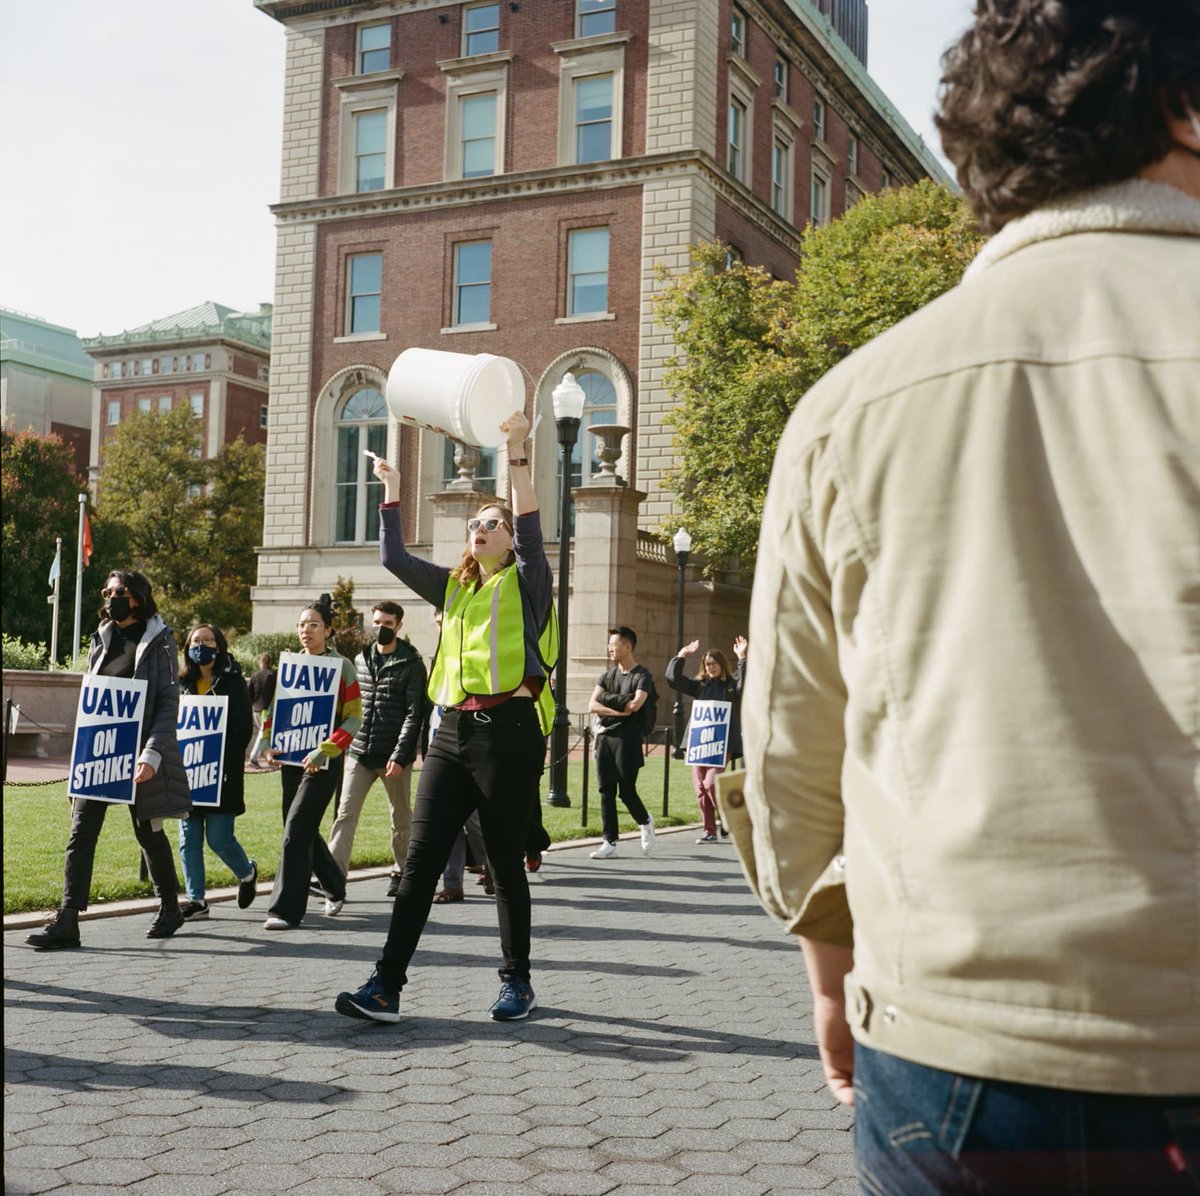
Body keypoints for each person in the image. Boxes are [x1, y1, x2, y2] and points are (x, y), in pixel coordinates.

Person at [726, 1, 1200, 1190]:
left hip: (956, 1051)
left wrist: (831, 946)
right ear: (1184, 110)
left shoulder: (849, 405)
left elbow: (790, 744)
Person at [335, 409, 553, 1023]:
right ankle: (385, 986)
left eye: (492, 525)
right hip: (451, 734)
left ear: (510, 540)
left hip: (509, 735)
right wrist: (393, 493)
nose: (479, 530)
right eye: (474, 525)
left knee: (505, 865)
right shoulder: (454, 588)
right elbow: (393, 558)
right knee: (422, 863)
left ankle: (517, 982)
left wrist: (515, 452)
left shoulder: (531, 579)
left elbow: (532, 522)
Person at [26, 570, 191, 949]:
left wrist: (152, 753)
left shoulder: (161, 640)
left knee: (147, 834)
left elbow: (168, 703)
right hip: (99, 751)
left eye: (119, 592)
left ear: (138, 597)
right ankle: (68, 919)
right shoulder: (102, 637)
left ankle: (170, 907)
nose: (110, 597)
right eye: (108, 591)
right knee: (80, 832)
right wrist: (80, 757)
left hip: (138, 753)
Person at [257, 594, 362, 930]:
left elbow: (354, 719)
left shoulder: (342, 667)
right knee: (299, 828)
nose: (306, 630)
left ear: (328, 631)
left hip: (323, 763)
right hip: (290, 761)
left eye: (314, 625)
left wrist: (325, 750)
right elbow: (275, 711)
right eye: (302, 624)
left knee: (295, 832)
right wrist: (266, 741)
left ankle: (284, 910)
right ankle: (334, 884)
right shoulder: (289, 666)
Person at [327, 601, 426, 898]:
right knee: (345, 814)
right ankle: (334, 876)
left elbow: (414, 712)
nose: (380, 628)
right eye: (377, 622)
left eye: (387, 623)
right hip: (359, 751)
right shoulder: (361, 659)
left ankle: (401, 870)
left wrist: (400, 754)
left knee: (400, 817)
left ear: (399, 626)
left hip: (393, 754)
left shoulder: (411, 663)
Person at [176, 624, 259, 920]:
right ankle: (196, 900)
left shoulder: (234, 683)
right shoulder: (181, 683)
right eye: (196, 641)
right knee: (189, 837)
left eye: (208, 640)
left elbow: (243, 730)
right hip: (188, 774)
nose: (202, 645)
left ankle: (247, 873)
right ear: (188, 648)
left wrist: (220, 761)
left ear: (219, 647)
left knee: (219, 839)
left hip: (222, 776)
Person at [665, 636, 746, 843]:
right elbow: (673, 680)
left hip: (722, 743)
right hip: (699, 743)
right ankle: (709, 831)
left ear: (721, 664)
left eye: (714, 664)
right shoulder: (700, 685)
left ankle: (728, 819)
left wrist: (742, 658)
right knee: (700, 788)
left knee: (711, 783)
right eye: (707, 664)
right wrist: (681, 656)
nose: (710, 668)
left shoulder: (730, 685)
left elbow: (744, 686)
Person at [587, 626, 656, 859]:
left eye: (613, 644)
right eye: (609, 645)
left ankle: (645, 821)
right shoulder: (606, 675)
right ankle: (609, 842)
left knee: (626, 791)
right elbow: (592, 705)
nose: (609, 648)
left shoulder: (642, 675)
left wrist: (609, 700)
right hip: (605, 736)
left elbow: (635, 705)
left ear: (627, 647)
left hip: (628, 738)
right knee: (605, 790)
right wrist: (619, 709)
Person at [246, 652, 276, 768]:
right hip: (266, 709)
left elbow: (249, 694)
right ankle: (254, 757)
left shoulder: (255, 675)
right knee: (263, 733)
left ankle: (262, 755)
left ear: (260, 662)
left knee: (263, 732)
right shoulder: (272, 675)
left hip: (255, 709)